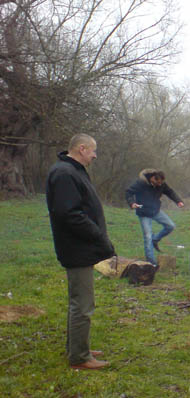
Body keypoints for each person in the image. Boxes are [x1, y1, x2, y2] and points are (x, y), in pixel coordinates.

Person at [46, 134, 115, 370]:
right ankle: (79, 357)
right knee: (83, 304)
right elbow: (71, 215)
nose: (95, 156)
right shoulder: (65, 173)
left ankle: (77, 347)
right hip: (76, 248)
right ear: (82, 149)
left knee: (79, 301)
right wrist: (98, 235)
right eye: (93, 151)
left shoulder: (71, 171)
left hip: (78, 247)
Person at [125, 169, 184, 266]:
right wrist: (131, 203)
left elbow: (170, 192)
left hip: (156, 211)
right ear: (152, 178)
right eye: (158, 183)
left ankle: (155, 239)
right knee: (147, 237)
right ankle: (151, 264)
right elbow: (128, 192)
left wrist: (178, 201)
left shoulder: (161, 184)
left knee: (170, 226)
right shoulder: (141, 183)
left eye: (161, 183)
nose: (160, 185)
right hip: (143, 213)